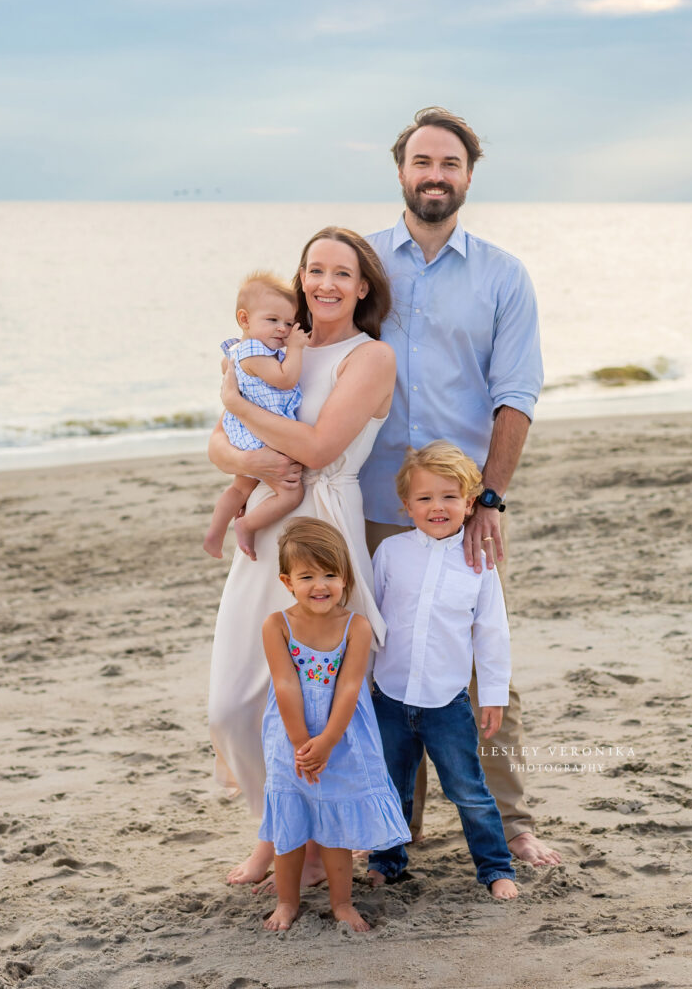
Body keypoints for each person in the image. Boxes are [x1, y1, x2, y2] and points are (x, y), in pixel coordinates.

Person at [361, 106, 561, 868]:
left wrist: (491, 499)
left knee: (479, 656)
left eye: (449, 163)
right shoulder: (364, 262)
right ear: (401, 171)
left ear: (468, 176)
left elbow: (516, 392)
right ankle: (389, 828)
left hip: (461, 506)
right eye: (422, 162)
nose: (434, 175)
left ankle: (511, 823)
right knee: (378, 665)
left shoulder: (503, 275)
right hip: (371, 503)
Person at [207, 227, 396, 889]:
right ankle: (274, 824)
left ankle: (309, 843)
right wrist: (246, 455)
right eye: (314, 269)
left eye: (342, 273)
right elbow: (219, 444)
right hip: (266, 528)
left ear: (363, 286)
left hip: (322, 526)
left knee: (315, 698)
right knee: (232, 700)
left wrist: (234, 403)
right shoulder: (281, 342)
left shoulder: (369, 357)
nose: (325, 283)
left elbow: (317, 450)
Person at [367, 442, 517, 900]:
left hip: (446, 703)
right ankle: (386, 863)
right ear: (406, 506)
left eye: (450, 497)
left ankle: (495, 869)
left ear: (470, 503)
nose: (438, 507)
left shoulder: (478, 564)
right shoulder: (391, 553)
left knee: (468, 790)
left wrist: (492, 695)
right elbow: (369, 621)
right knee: (391, 786)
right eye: (425, 498)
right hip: (389, 697)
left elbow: (491, 633)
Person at [260, 517, 410, 932]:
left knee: (336, 821)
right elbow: (286, 683)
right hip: (289, 736)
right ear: (287, 581)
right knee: (289, 818)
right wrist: (300, 742)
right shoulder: (277, 625)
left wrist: (326, 740)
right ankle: (288, 902)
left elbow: (348, 690)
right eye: (307, 576)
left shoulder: (355, 626)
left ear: (345, 578)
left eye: (330, 574)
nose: (319, 585)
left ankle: (342, 903)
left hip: (342, 737)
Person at [203, 272, 309, 561]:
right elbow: (285, 380)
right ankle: (246, 524)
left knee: (240, 488)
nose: (282, 329)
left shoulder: (242, 350)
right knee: (291, 495)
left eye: (288, 323)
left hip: (250, 432)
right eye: (272, 320)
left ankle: (214, 534)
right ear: (245, 320)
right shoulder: (254, 353)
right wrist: (296, 348)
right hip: (261, 438)